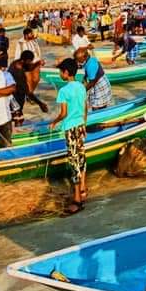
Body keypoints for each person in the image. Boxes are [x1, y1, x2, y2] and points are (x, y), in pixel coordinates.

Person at [50, 58, 89, 214]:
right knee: (81, 156)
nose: (60, 73)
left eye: (61, 71)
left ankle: (77, 199)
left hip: (70, 128)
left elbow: (64, 113)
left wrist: (55, 122)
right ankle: (84, 187)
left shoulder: (63, 91)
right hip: (80, 126)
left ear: (66, 73)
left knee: (74, 162)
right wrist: (84, 124)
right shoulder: (81, 86)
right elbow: (85, 108)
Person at [76, 44, 114, 110]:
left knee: (97, 107)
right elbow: (87, 71)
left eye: (79, 60)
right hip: (99, 83)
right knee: (98, 104)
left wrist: (83, 91)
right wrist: (84, 77)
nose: (78, 62)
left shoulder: (91, 65)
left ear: (84, 57)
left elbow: (91, 83)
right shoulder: (90, 59)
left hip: (100, 85)